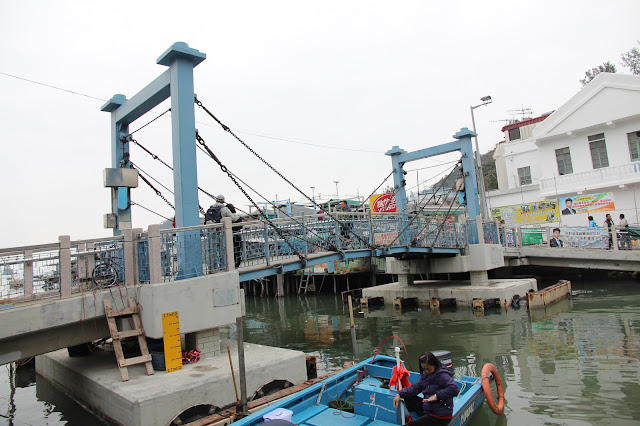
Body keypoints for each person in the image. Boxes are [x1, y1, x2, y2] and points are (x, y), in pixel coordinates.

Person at [392, 352, 459, 425]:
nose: (426, 371)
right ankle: (419, 420)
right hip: (429, 408)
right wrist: (400, 394)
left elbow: (454, 389)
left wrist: (436, 396)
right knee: (408, 397)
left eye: (429, 369)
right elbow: (415, 388)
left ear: (435, 365)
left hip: (440, 416)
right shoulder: (426, 375)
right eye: (424, 369)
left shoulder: (442, 376)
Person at [206, 195, 243, 268]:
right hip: (227, 234)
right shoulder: (224, 209)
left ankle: (215, 266)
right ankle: (232, 264)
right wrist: (239, 218)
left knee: (216, 250)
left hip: (215, 233)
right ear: (223, 200)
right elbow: (232, 218)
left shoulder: (210, 208)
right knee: (232, 250)